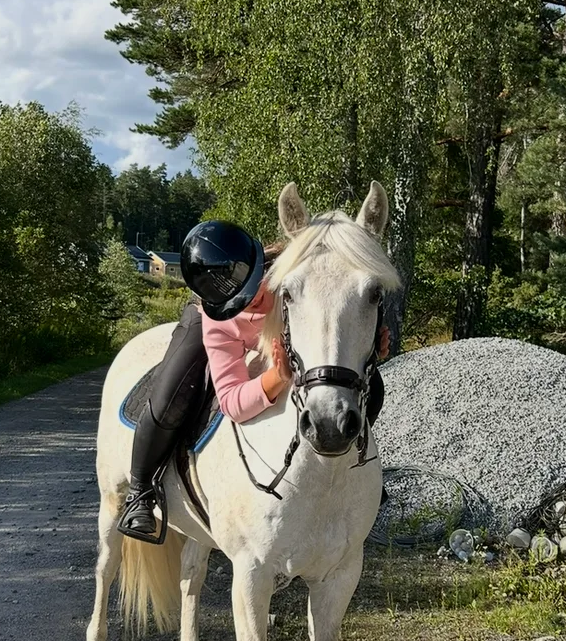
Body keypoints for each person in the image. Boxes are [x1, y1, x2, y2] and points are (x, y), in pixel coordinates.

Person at [116, 219, 389, 543]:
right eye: (238, 300)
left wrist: (367, 344)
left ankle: (353, 469)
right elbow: (232, 402)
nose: (250, 302)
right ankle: (141, 490)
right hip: (204, 323)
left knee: (373, 389)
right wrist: (276, 378)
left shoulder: (297, 268)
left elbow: (342, 303)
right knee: (169, 396)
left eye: (253, 286)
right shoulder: (219, 321)